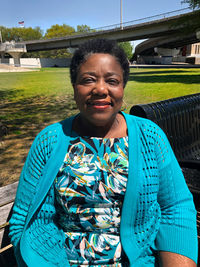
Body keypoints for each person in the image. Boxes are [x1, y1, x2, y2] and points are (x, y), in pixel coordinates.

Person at [9, 38, 198, 267]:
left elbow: (175, 207)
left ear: (122, 87)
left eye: (112, 80)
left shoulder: (150, 137)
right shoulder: (49, 141)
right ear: (74, 88)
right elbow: (27, 221)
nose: (100, 89)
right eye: (88, 80)